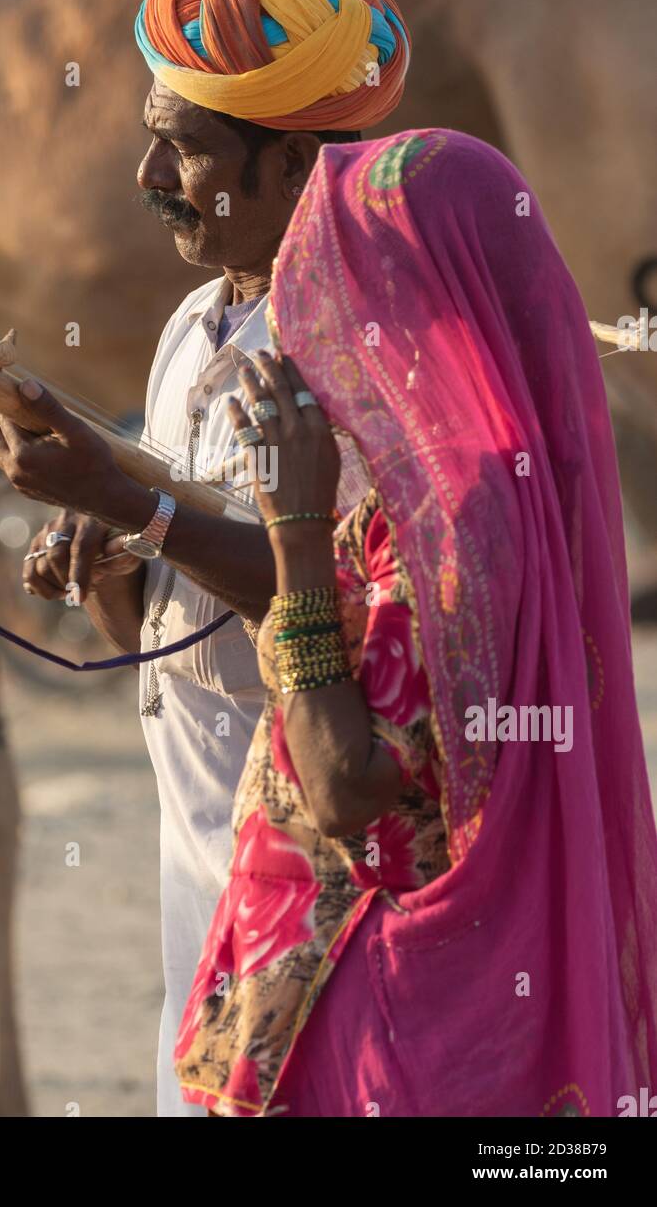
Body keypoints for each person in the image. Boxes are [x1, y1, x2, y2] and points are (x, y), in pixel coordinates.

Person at [0, 0, 411, 1115]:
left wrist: (128, 502)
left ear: (289, 161)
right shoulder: (192, 324)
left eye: (182, 146)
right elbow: (163, 622)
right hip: (201, 864)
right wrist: (107, 545)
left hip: (319, 885)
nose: (147, 175)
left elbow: (345, 601)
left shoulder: (361, 349)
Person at [173, 128, 657, 1117]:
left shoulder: (448, 515)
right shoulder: (477, 490)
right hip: (368, 996)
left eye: (337, 272)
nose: (316, 305)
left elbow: (349, 785)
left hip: (382, 1012)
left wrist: (298, 532)